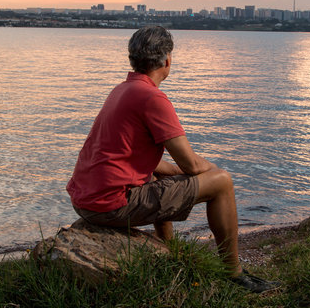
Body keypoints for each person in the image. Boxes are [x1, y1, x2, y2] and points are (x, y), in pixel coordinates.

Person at [66, 26, 278, 293]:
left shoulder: (122, 90)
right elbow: (190, 164)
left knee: (158, 177)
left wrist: (182, 174)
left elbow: (140, 160)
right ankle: (233, 273)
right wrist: (212, 173)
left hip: (86, 200)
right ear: (167, 60)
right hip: (109, 205)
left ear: (133, 59)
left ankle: (166, 250)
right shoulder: (152, 97)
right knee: (222, 182)